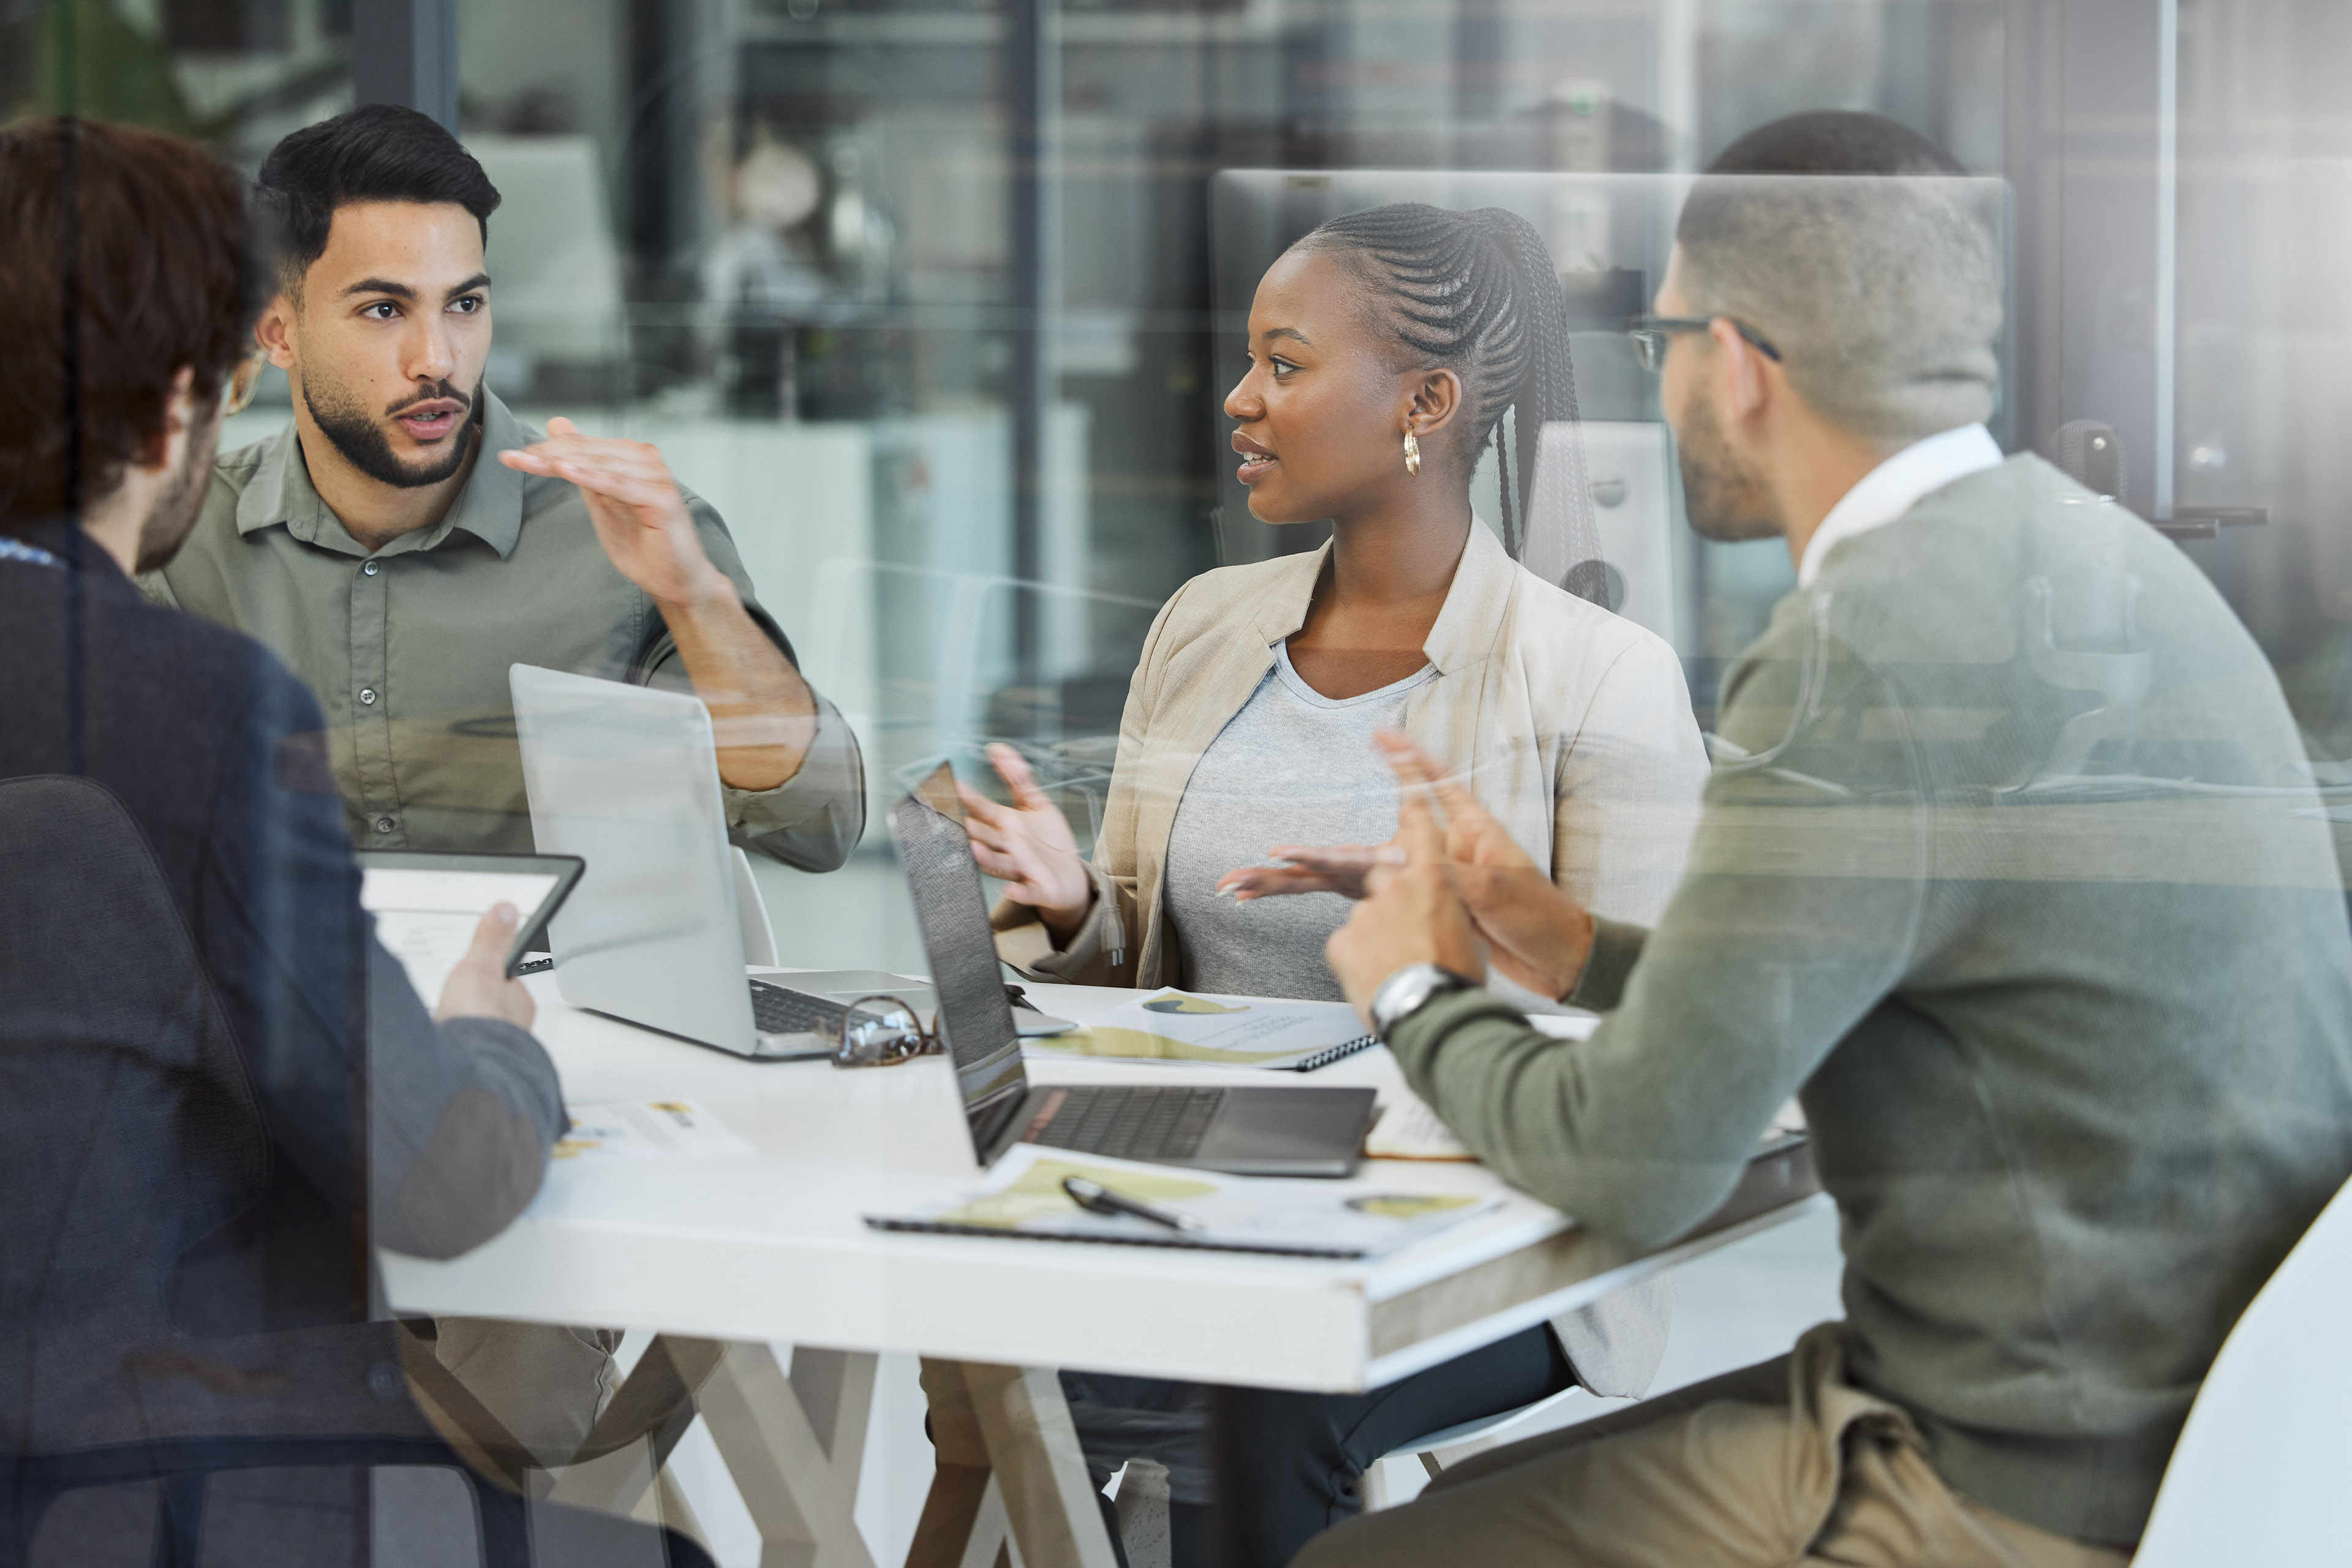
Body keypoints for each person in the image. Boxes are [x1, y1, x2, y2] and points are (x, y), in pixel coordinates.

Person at [1310, 111, 2352, 1567]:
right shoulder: (2096, 556)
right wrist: (1572, 943)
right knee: (1456, 1510)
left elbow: (1638, 1161)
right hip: (2219, 1443)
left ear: (1734, 363)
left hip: (2014, 1481)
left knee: (1368, 1556)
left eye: (1665, 335)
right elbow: (1924, 952)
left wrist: (1410, 987)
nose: (1662, 378)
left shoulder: (1862, 648)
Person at [0, 116, 709, 1565]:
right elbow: (441, 1180)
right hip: (162, 1480)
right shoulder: (180, 707)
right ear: (183, 405)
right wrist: (486, 1029)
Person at [957, 203, 1709, 1567]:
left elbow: (1653, 1038)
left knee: (1263, 1396)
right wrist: (1072, 906)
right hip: (1198, 1193)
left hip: (1489, 1227)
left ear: (1425, 400)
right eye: (1248, 362)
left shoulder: (1602, 673)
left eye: (1286, 365)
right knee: (1005, 1354)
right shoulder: (1204, 626)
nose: (1241, 400)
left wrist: (1460, 934)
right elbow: (1151, 972)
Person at [143, 102, 866, 1472]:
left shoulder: (612, 534)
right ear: (277, 330)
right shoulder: (185, 542)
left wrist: (695, 594)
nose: (438, 358)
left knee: (485, 1428)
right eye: (382, 309)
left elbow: (821, 816)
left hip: (541, 1124)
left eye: (464, 304)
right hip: (256, 1124)